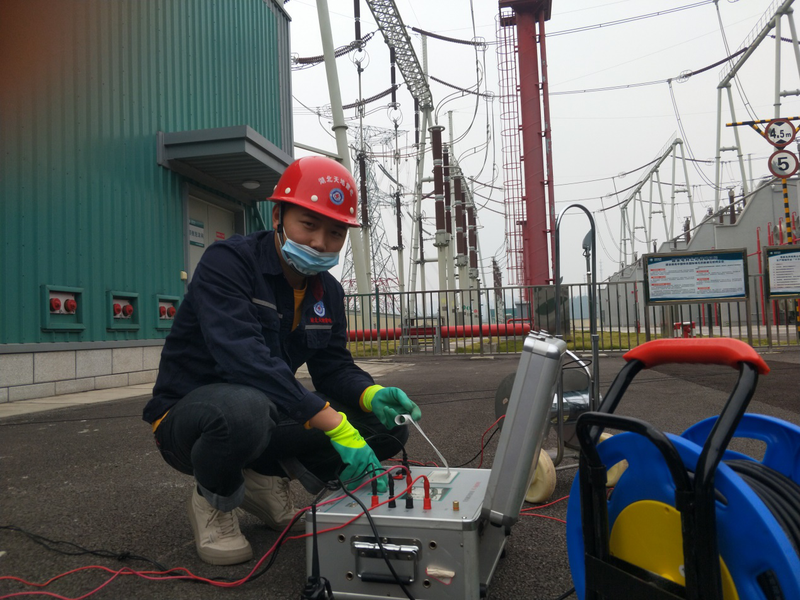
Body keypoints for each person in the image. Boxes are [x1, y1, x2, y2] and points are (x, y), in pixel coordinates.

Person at [143, 156, 421, 566]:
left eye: (335, 232)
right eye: (308, 225)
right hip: (191, 419)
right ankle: (213, 501)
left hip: (267, 411)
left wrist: (370, 393)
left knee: (385, 428)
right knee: (243, 409)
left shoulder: (328, 292)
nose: (320, 244)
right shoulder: (229, 262)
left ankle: (262, 480)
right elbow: (244, 359)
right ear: (278, 215)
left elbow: (333, 367)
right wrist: (329, 420)